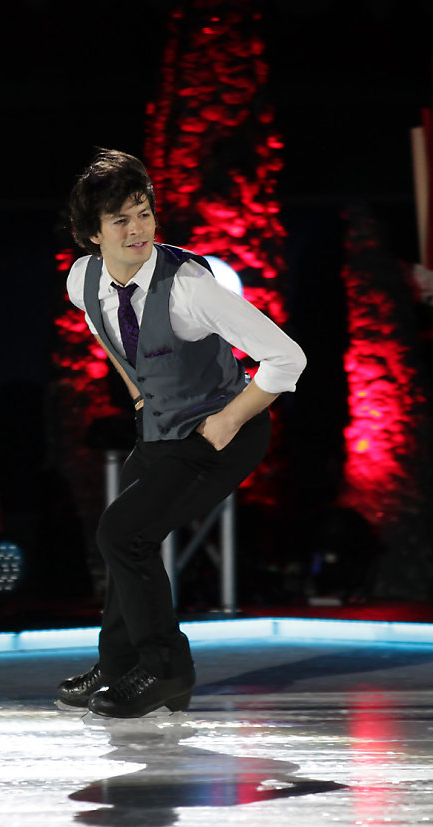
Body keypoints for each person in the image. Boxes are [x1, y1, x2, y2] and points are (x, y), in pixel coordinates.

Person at [57, 149, 306, 718]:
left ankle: (166, 670)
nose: (138, 229)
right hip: (161, 430)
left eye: (143, 213)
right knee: (129, 539)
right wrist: (138, 392)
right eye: (120, 219)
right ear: (91, 234)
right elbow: (112, 336)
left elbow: (286, 358)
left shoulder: (190, 286)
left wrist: (225, 422)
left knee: (123, 533)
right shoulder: (83, 280)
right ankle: (120, 666)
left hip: (224, 432)